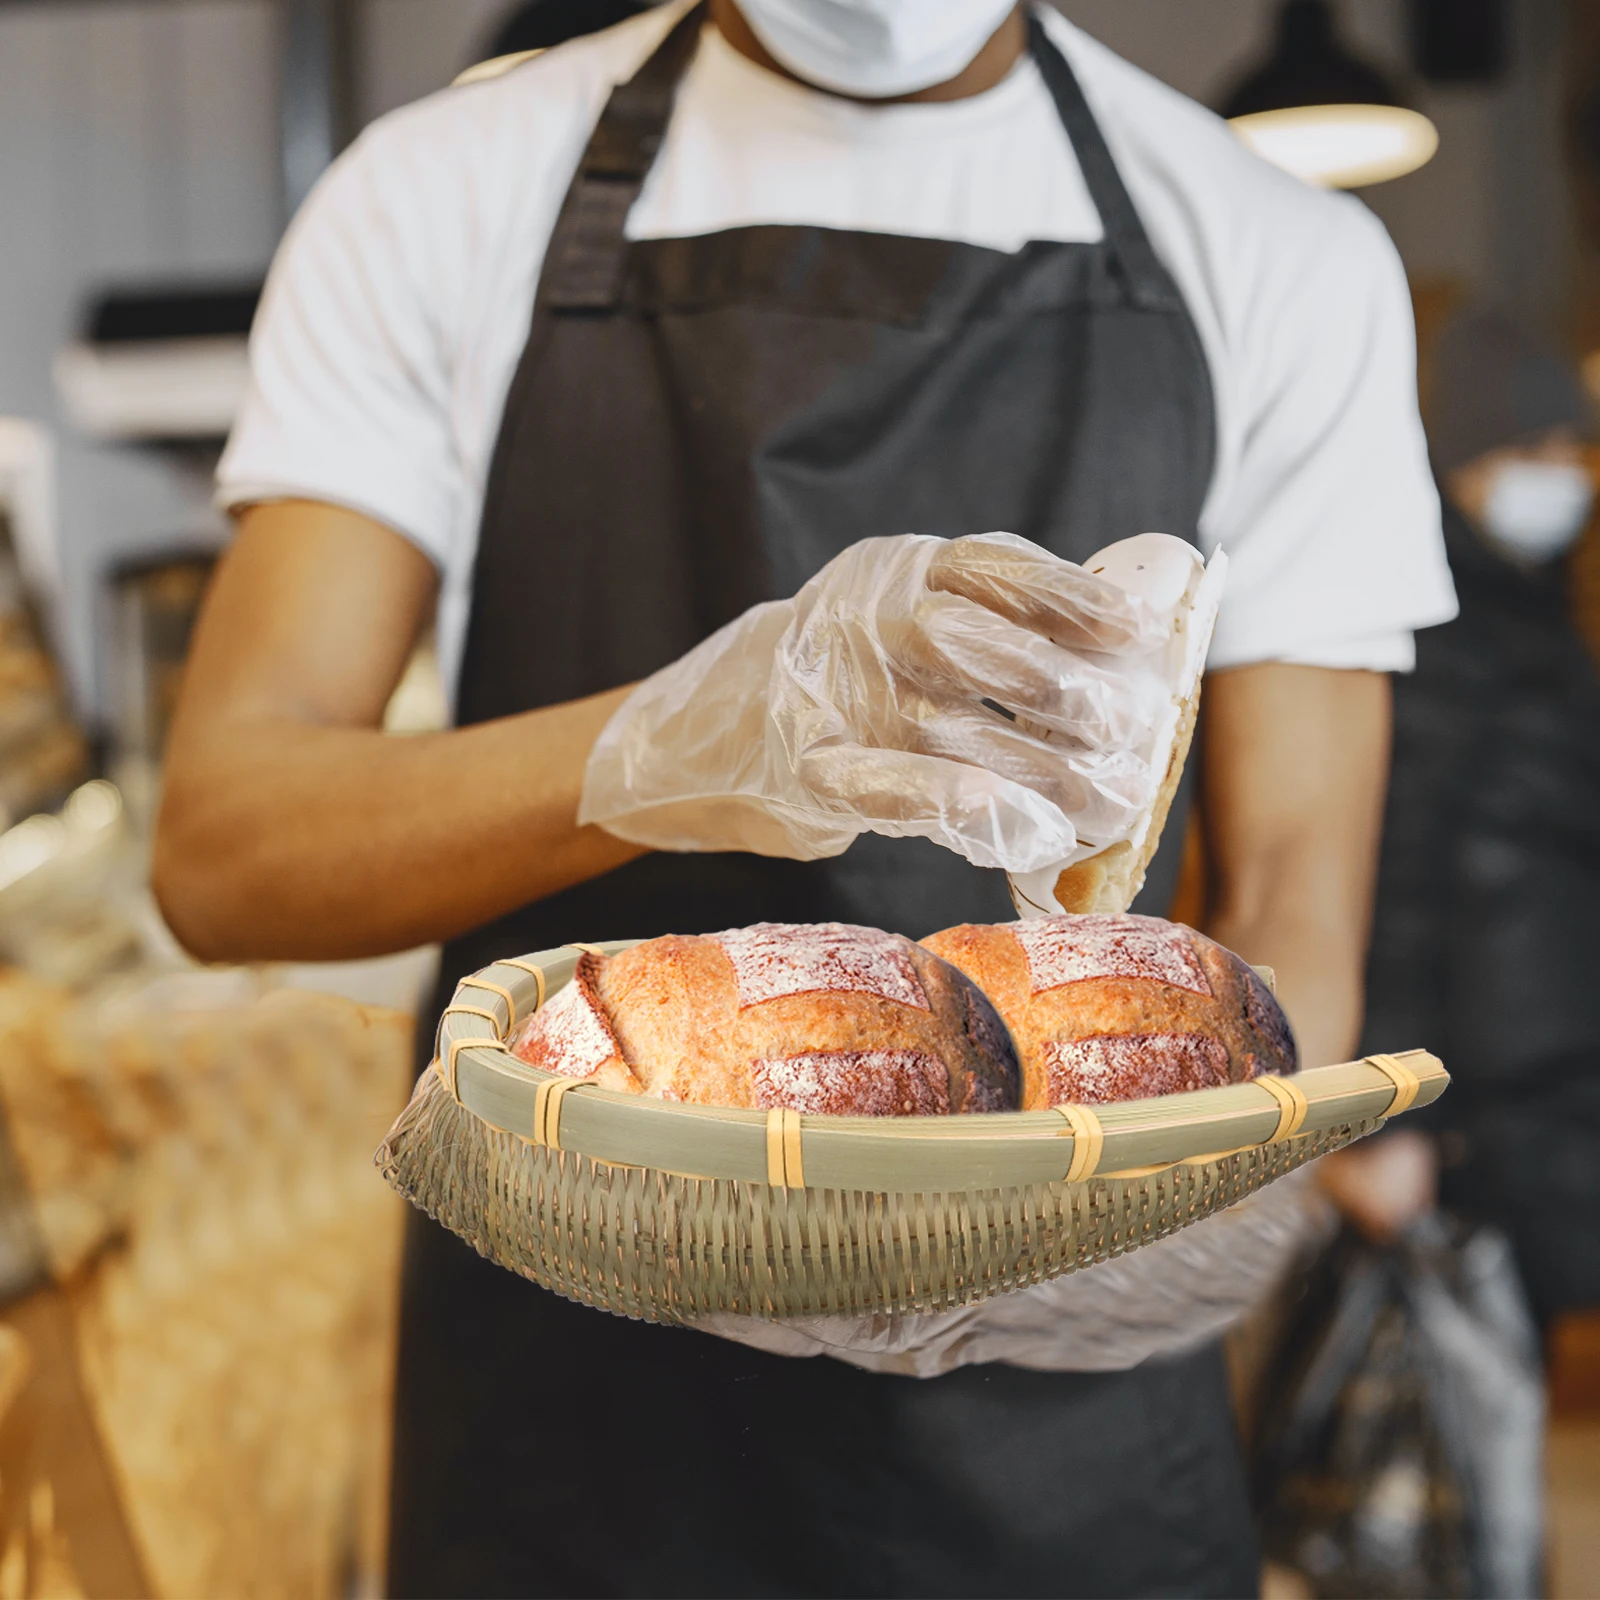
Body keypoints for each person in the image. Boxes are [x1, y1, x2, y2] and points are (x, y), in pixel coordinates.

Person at [152, 2, 1454, 1593]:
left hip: (1059, 1430)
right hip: (581, 1418)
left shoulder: (1276, 255)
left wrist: (1171, 1216)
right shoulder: (444, 193)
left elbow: (1294, 916)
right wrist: (675, 743)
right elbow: (225, 852)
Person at [1348, 306, 1600, 1327]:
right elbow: (1391, 873)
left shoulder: (1527, 607)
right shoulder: (1437, 631)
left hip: (1543, 1069)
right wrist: (1383, 1114)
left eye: (1571, 448)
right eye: (1528, 448)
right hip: (1484, 1103)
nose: (1564, 474)